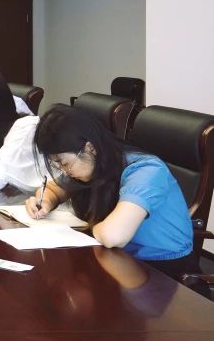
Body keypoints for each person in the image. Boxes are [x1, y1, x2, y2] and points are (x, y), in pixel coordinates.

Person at [25, 105, 195, 278]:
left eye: (64, 163)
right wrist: (45, 202)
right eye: (56, 165)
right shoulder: (94, 165)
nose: (64, 171)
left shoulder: (146, 170)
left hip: (162, 270)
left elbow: (113, 236)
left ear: (90, 148)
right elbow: (54, 189)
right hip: (116, 258)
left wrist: (91, 227)